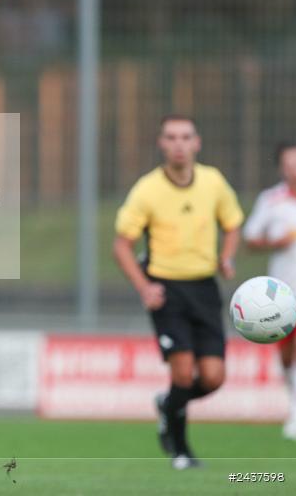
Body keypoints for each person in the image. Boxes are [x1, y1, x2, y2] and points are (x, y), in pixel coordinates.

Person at [113, 114, 244, 470]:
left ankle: (167, 404)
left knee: (214, 377)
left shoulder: (213, 182)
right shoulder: (147, 189)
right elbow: (122, 245)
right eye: (171, 137)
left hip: (204, 287)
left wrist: (227, 257)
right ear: (161, 144)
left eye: (186, 137)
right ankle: (181, 451)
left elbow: (232, 224)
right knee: (183, 374)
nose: (179, 144)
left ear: (197, 143)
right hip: (167, 290)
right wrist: (145, 287)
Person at [242, 142, 296, 440]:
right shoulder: (271, 200)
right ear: (281, 167)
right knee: (288, 354)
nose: (295, 168)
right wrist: (274, 243)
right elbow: (251, 239)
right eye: (288, 163)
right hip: (282, 293)